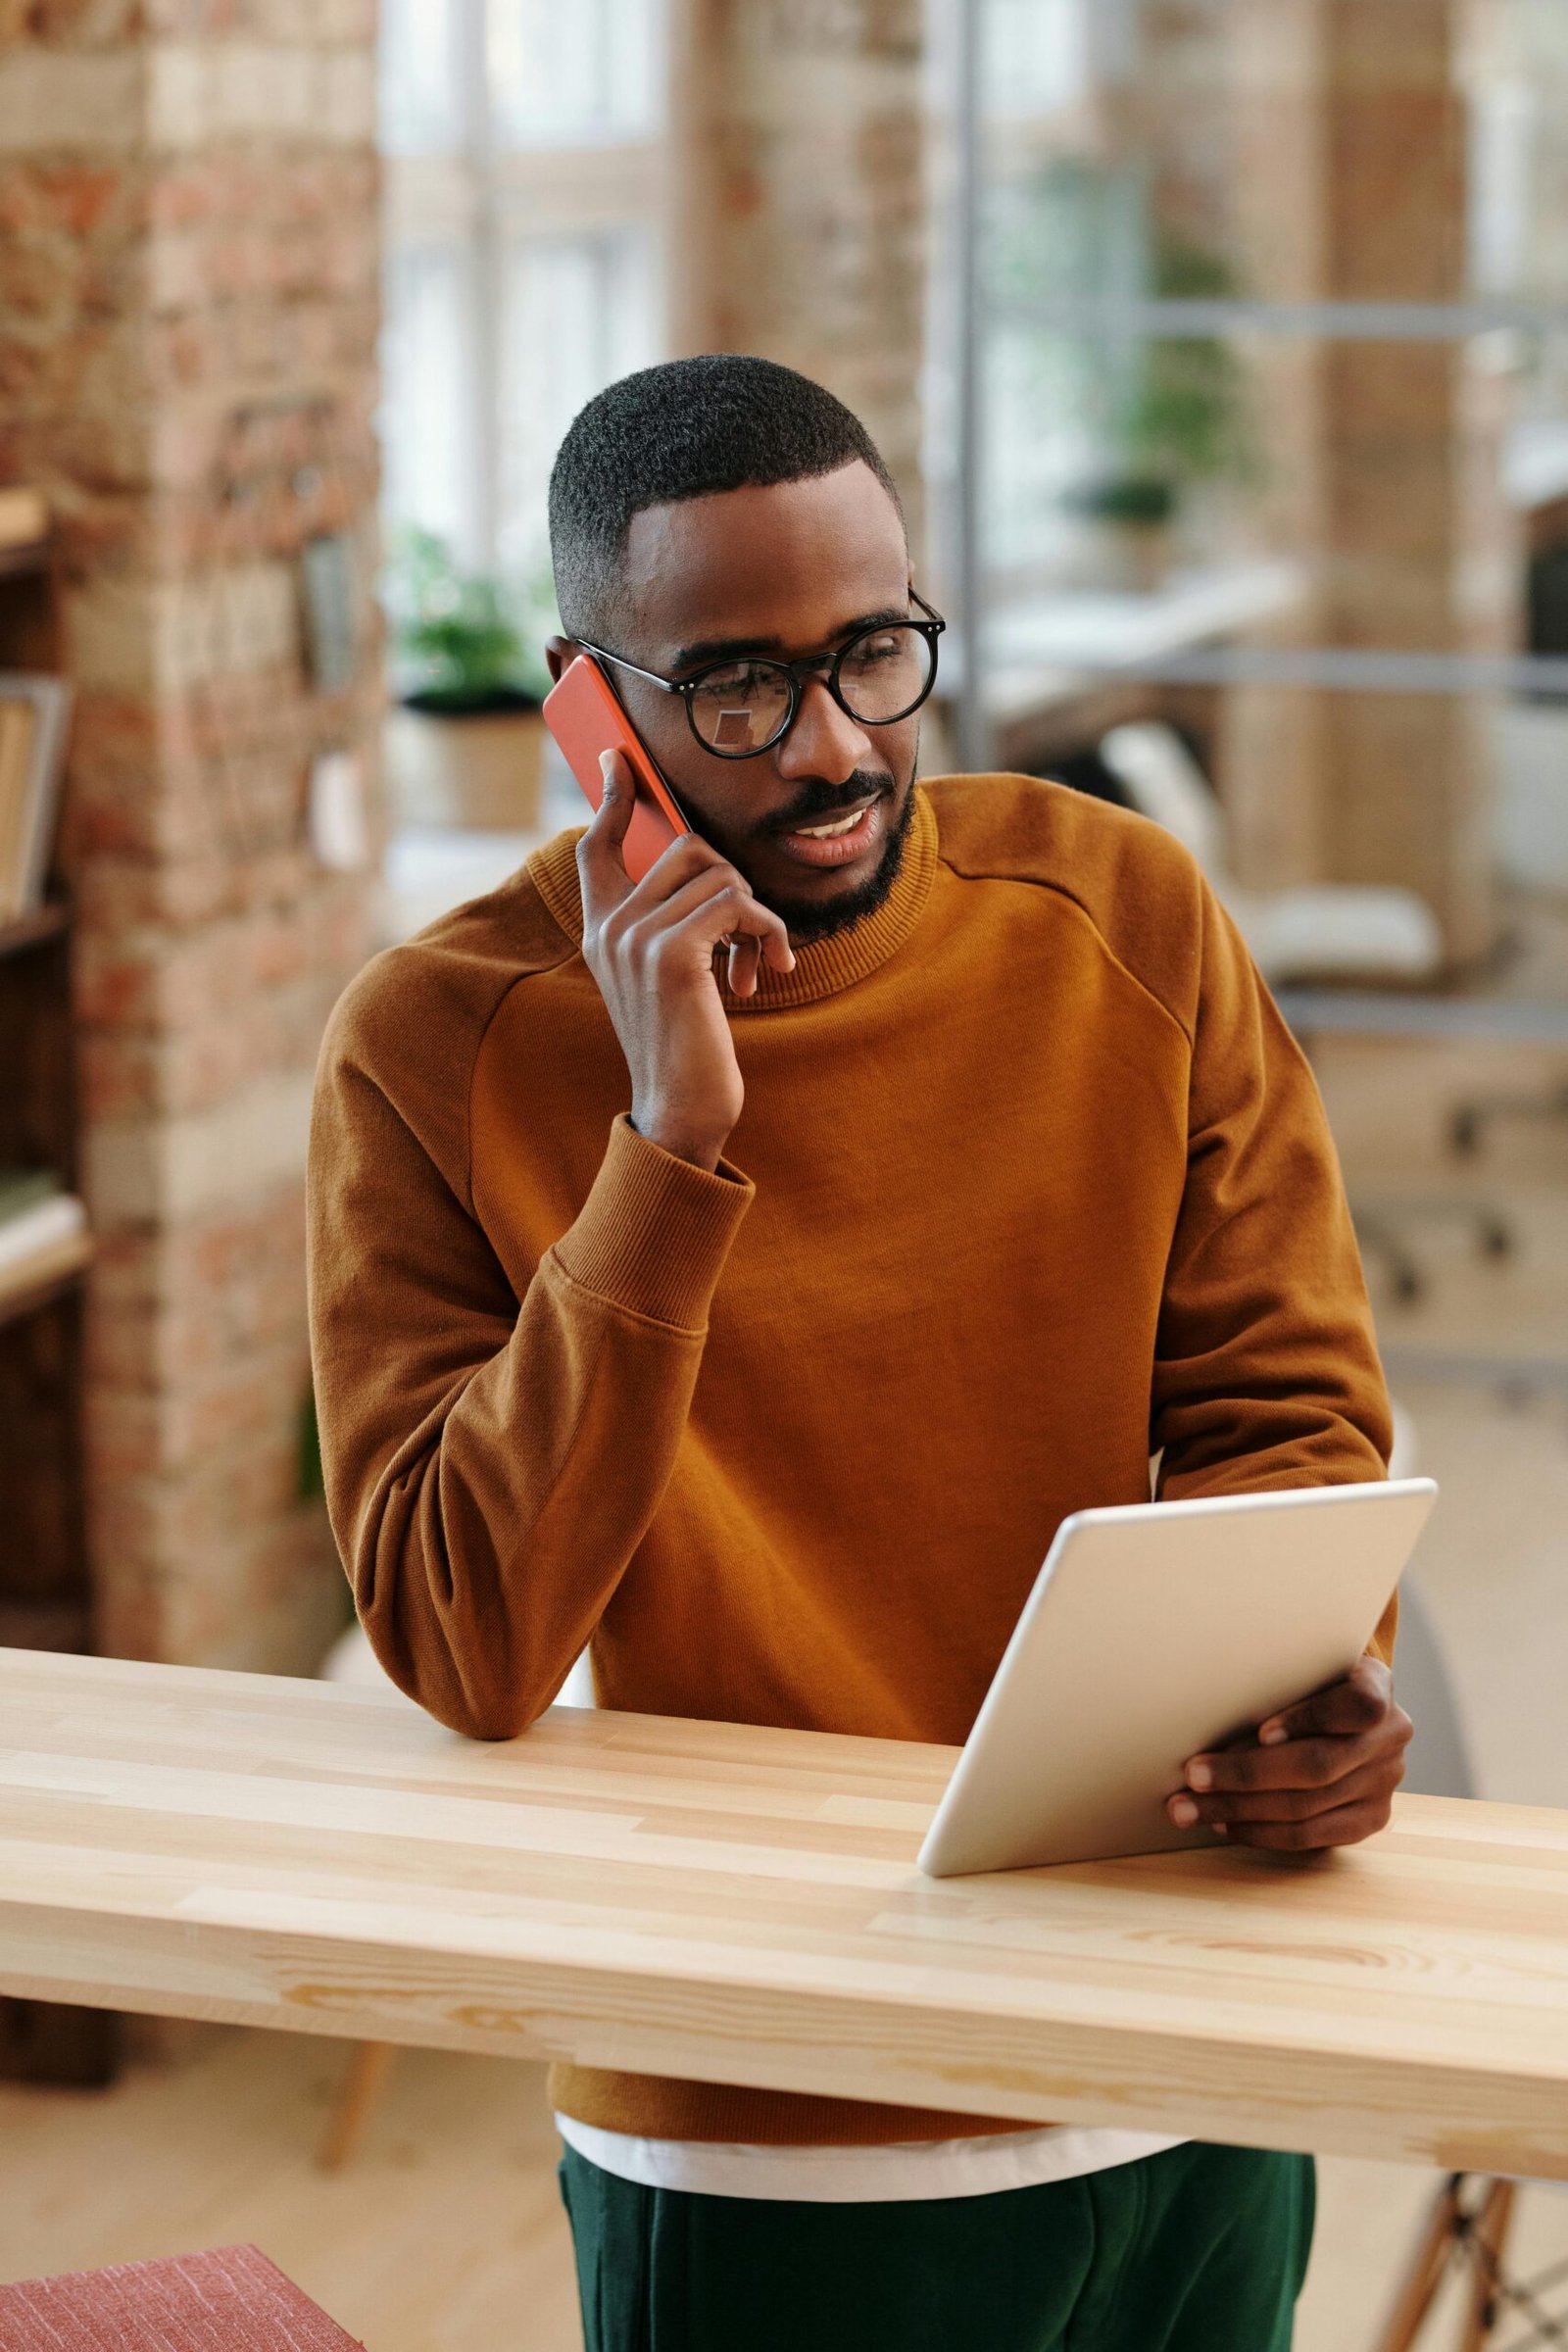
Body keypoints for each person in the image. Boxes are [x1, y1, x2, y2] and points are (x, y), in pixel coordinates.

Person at [308, 355, 1412, 2351]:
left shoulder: (1122, 918)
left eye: (874, 653)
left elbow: (1288, 1423)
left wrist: (1304, 1692)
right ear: (593, 714)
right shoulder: (433, 1044)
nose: (831, 747)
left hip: (1181, 2069)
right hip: (766, 2145)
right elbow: (462, 1640)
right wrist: (668, 1146)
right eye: (735, 686)